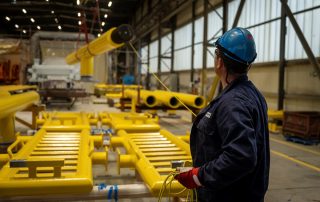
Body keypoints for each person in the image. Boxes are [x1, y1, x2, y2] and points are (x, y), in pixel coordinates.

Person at [174, 27, 270, 202]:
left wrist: (199, 176)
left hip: (228, 196)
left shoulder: (233, 102)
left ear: (219, 62)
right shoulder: (254, 95)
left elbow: (242, 156)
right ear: (249, 64)